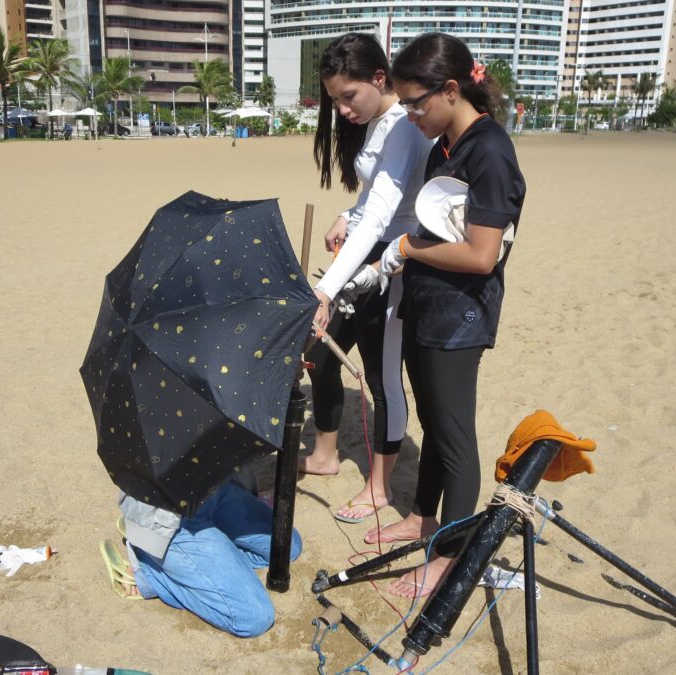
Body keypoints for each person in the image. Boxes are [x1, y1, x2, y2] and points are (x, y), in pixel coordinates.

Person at [370, 32, 526, 598]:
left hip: (460, 316)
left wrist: (408, 250)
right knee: (433, 426)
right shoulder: (446, 147)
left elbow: (483, 255)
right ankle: (426, 522)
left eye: (416, 103)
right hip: (428, 307)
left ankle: (450, 563)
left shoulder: (490, 151)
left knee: (455, 438)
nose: (410, 114)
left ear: (452, 89)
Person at [303, 33, 433, 525]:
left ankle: (379, 487)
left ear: (380, 79)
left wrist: (324, 289)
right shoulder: (379, 121)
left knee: (382, 378)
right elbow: (373, 199)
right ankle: (324, 454)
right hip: (364, 251)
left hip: (393, 263)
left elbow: (383, 216)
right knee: (321, 354)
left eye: (347, 96)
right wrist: (344, 213)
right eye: (334, 99)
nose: (340, 109)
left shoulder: (401, 126)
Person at [105, 480, 301, 638]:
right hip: (167, 515)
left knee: (288, 547)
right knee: (253, 617)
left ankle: (204, 560)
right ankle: (151, 571)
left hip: (213, 487)